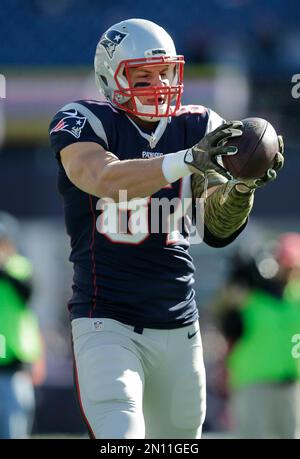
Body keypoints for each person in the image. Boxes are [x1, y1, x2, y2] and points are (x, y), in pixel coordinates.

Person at [49, 18, 284, 439]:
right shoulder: (85, 120)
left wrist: (242, 188)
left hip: (179, 323)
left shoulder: (197, 124)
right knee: (121, 439)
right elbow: (105, 178)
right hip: (107, 320)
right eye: (142, 75)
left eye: (165, 73)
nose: (158, 84)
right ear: (111, 77)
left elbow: (215, 229)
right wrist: (186, 160)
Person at [215, 233, 300, 438]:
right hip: (253, 384)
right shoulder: (249, 297)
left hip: (291, 385)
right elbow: (224, 318)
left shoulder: (295, 297)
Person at [0, 213, 42, 438]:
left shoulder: (19, 266)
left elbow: (27, 292)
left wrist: (3, 265)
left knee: (13, 425)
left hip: (13, 359)